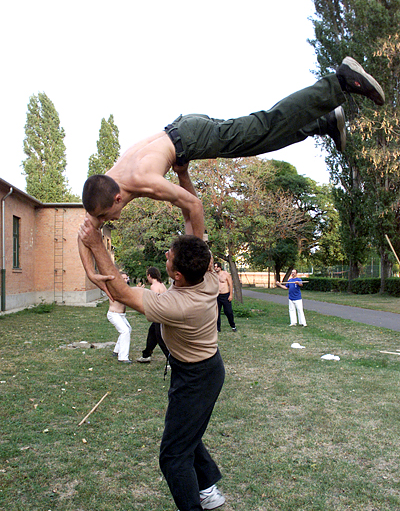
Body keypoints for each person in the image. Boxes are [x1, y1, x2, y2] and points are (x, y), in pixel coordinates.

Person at [78, 57, 385, 296]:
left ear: (118, 198)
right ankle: (324, 123)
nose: (109, 221)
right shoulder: (104, 186)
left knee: (261, 127)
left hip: (191, 137)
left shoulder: (143, 180)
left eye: (110, 215)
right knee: (262, 139)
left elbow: (193, 207)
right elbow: (86, 229)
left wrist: (197, 267)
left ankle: (340, 81)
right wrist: (91, 272)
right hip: (181, 135)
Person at [78, 219, 225, 511]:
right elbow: (196, 214)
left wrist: (96, 242)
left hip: (196, 377)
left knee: (173, 455)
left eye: (169, 256)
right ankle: (206, 492)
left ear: (175, 275)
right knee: (187, 436)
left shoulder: (174, 305)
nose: (166, 256)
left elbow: (121, 292)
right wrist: (183, 174)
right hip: (206, 370)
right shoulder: (207, 276)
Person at [137, 266, 169, 363]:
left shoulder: (154, 286)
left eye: (147, 275)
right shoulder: (161, 284)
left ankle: (172, 360)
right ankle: (146, 355)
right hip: (163, 314)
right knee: (152, 333)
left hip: (159, 316)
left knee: (160, 339)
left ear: (149, 275)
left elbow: (154, 302)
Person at [107, 272, 132, 363]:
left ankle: (116, 351)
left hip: (121, 315)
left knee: (128, 329)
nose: (125, 280)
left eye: (126, 278)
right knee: (125, 331)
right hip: (114, 314)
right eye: (123, 279)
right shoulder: (115, 288)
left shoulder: (124, 288)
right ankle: (123, 357)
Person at [214, 262, 236, 332]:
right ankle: (218, 328)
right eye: (214, 267)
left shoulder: (226, 274)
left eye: (217, 267)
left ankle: (233, 326)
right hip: (217, 295)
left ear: (220, 267)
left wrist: (231, 295)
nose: (215, 268)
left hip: (225, 295)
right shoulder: (214, 275)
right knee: (217, 312)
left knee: (228, 312)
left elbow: (230, 285)